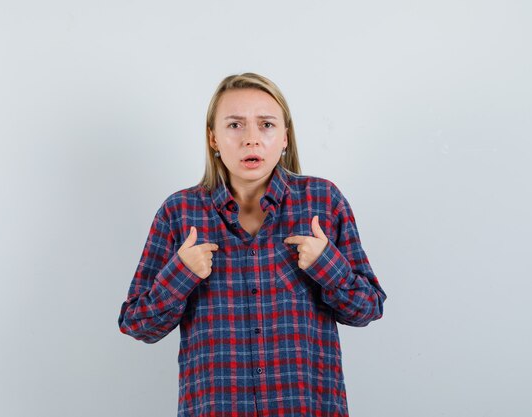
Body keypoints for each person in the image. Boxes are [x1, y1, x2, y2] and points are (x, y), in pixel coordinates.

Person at [118, 72, 386, 417]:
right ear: (213, 138)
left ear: (285, 137)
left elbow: (368, 308)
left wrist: (326, 266)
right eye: (234, 125)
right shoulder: (179, 212)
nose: (251, 139)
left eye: (266, 125)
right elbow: (137, 324)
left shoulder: (323, 201)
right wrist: (180, 275)